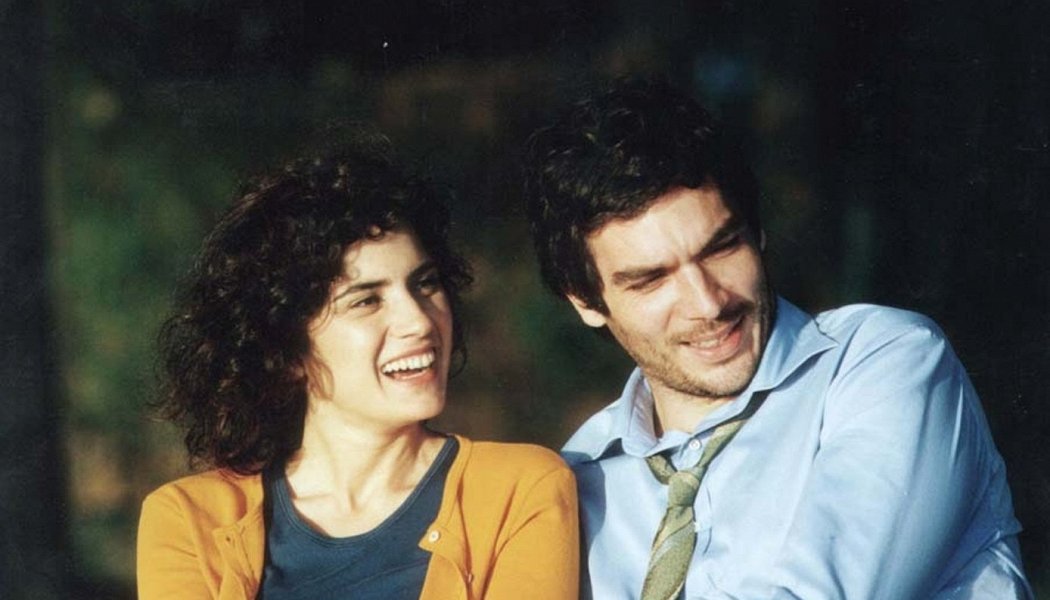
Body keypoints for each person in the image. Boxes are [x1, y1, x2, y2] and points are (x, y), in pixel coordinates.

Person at [523, 77, 1032, 599]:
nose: (708, 303)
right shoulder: (570, 484)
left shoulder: (883, 362)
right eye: (652, 279)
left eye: (721, 248)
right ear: (585, 302)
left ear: (758, 232)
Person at [137, 132, 578, 600]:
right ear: (284, 350)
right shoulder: (189, 520)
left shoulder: (520, 489)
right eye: (366, 301)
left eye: (425, 284)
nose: (419, 321)